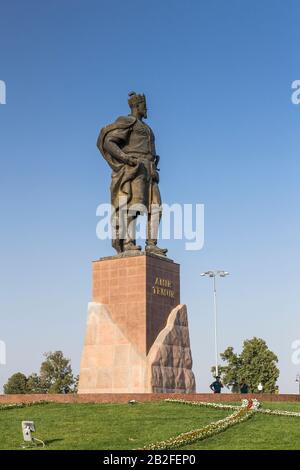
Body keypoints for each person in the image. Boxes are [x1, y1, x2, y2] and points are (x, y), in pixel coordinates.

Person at [97, 92, 167, 256]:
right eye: (144, 105)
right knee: (133, 206)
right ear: (137, 106)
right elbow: (109, 142)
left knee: (155, 208)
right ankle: (128, 242)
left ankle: (151, 244)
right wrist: (125, 158)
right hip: (135, 169)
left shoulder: (147, 128)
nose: (146, 108)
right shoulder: (128, 121)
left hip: (149, 171)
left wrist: (154, 168)